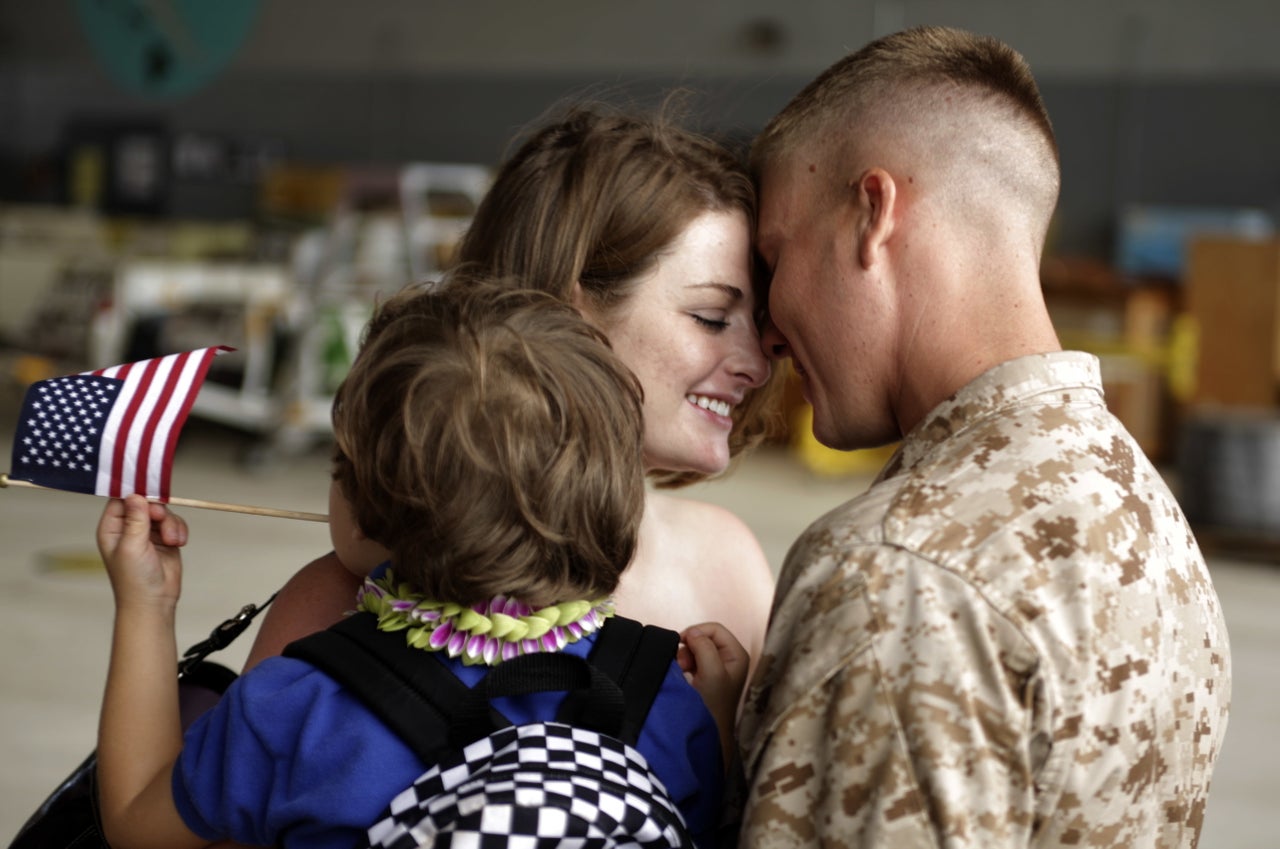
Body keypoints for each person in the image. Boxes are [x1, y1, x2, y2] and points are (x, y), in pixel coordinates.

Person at [738, 25, 1231, 848]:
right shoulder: (1146, 510)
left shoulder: (895, 573)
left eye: (775, 255)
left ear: (873, 213)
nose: (768, 329)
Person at [95, 279, 749, 849]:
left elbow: (134, 819)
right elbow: (704, 825)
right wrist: (714, 719)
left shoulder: (297, 707)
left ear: (362, 506)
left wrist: (145, 606)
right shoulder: (659, 696)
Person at [242, 102, 781, 679]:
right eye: (711, 317)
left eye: (762, 324)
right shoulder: (345, 602)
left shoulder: (729, 564)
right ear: (569, 311)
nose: (758, 365)